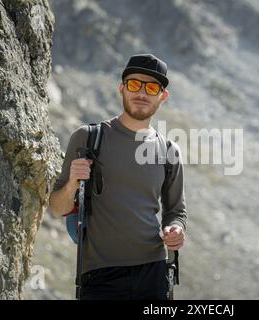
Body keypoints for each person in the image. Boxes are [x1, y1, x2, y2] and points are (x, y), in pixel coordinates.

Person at [48, 53, 188, 300]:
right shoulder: (88, 138)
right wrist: (72, 184)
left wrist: (175, 229)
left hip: (153, 273)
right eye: (134, 84)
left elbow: (175, 211)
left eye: (152, 87)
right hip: (100, 276)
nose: (142, 93)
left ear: (163, 96)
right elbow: (57, 208)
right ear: (121, 88)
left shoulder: (169, 152)